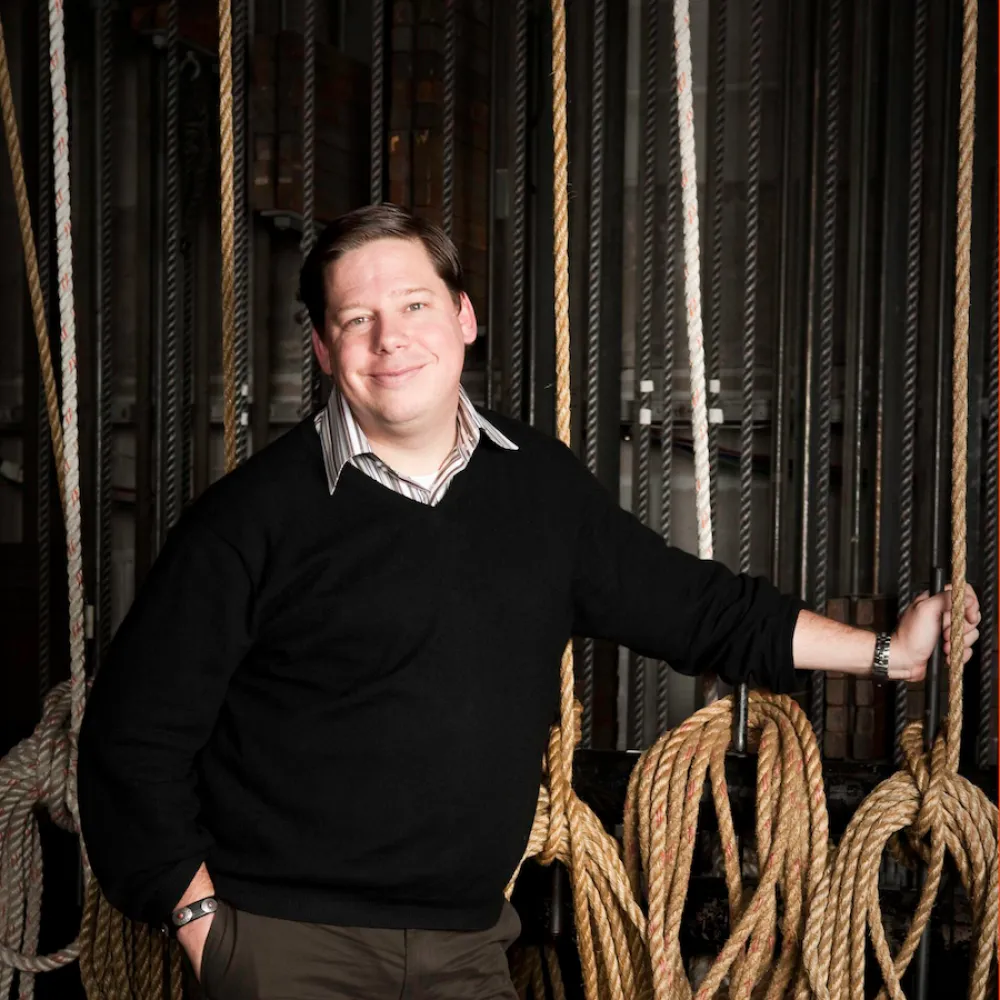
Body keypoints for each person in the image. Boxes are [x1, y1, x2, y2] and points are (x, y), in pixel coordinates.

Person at [77, 203, 981, 1000]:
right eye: (357, 319)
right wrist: (209, 933)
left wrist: (891, 654)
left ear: (464, 318)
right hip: (290, 948)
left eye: (415, 306)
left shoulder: (537, 488)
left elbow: (701, 609)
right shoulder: (250, 519)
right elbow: (131, 741)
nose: (390, 339)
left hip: (468, 946)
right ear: (322, 348)